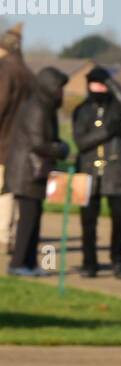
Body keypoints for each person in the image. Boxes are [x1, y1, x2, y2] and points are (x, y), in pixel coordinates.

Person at [73, 64, 121, 278]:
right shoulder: (81, 111)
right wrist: (107, 131)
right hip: (89, 171)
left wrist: (110, 80)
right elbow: (81, 142)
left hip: (117, 172)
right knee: (88, 221)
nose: (99, 88)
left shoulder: (117, 107)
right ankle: (89, 263)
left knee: (120, 217)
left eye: (103, 84)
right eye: (95, 83)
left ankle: (118, 259)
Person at [4, 66, 67, 277]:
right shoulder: (37, 108)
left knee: (35, 217)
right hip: (27, 172)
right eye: (59, 88)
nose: (61, 93)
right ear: (49, 87)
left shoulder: (45, 107)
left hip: (36, 171)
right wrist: (60, 148)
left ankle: (30, 262)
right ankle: (17, 263)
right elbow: (38, 142)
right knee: (27, 220)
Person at [0, 22, 34, 257]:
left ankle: (2, 236)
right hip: (22, 145)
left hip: (2, 142)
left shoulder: (5, 71)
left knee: (3, 192)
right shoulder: (30, 75)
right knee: (14, 192)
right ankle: (13, 236)